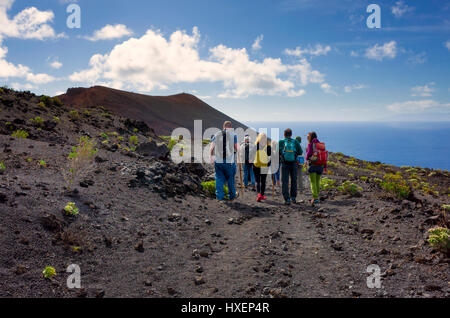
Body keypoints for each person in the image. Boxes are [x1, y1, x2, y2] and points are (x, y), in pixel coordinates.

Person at [210, 121, 239, 201]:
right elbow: (236, 147)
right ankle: (232, 196)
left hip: (218, 160)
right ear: (231, 127)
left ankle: (219, 197)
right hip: (229, 162)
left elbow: (212, 147)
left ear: (223, 126)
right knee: (230, 179)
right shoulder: (234, 135)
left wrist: (211, 157)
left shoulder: (217, 134)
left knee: (219, 178)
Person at [279, 128, 302, 205]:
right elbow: (300, 152)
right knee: (294, 181)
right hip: (294, 163)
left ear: (284, 134)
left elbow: (276, 152)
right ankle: (293, 198)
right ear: (291, 134)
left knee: (285, 182)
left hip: (285, 164)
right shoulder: (295, 142)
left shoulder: (281, 142)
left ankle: (287, 199)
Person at [306, 131, 327, 206]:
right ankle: (316, 197)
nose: (307, 137)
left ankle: (315, 198)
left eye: (308, 136)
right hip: (320, 166)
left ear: (311, 136)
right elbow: (325, 156)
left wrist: (307, 159)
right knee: (317, 182)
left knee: (313, 182)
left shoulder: (311, 144)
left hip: (313, 165)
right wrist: (325, 167)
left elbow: (308, 155)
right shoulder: (321, 145)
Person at [253, 133, 272, 202]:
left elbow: (251, 155)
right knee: (263, 181)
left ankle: (259, 194)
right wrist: (269, 163)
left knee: (257, 181)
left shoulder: (256, 146)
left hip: (256, 165)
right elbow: (272, 157)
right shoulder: (268, 147)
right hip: (264, 166)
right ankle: (262, 194)